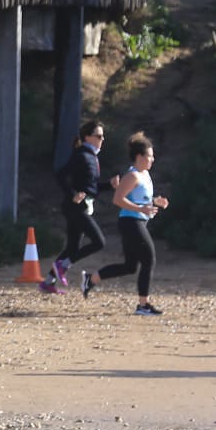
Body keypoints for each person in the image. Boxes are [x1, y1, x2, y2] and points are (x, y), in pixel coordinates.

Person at [84, 131, 170, 316]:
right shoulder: (132, 176)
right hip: (131, 222)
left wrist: (155, 202)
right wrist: (141, 209)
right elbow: (118, 199)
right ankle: (143, 305)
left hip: (138, 221)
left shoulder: (145, 175)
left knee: (130, 267)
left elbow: (141, 199)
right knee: (149, 259)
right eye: (149, 156)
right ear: (139, 157)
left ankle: (91, 279)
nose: (152, 159)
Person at [46, 120, 108, 294]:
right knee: (98, 242)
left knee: (72, 247)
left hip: (81, 206)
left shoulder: (92, 156)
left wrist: (110, 185)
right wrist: (72, 193)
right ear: (87, 137)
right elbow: (60, 175)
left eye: (103, 136)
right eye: (99, 136)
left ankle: (48, 282)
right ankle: (63, 265)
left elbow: (92, 187)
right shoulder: (81, 155)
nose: (102, 139)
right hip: (75, 207)